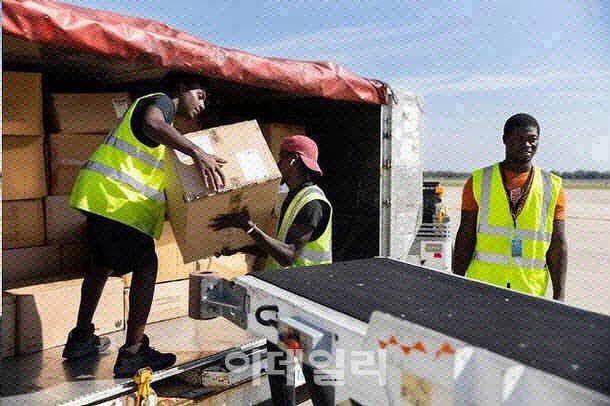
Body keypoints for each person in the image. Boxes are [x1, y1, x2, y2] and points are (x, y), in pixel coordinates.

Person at [63, 71, 227, 378]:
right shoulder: (161, 103)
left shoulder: (163, 127)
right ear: (182, 89)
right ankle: (133, 352)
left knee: (101, 264)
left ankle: (81, 338)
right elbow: (153, 123)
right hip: (119, 202)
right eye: (200, 96)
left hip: (102, 198)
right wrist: (198, 152)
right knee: (147, 266)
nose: (202, 105)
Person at [210, 135, 333, 406]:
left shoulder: (311, 203)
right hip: (287, 296)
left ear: (294, 160)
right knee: (279, 368)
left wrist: (249, 227)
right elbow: (278, 249)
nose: (277, 163)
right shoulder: (293, 197)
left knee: (313, 370)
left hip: (307, 299)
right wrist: (238, 249)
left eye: (281, 157)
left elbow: (289, 255)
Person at [453, 113, 567, 301]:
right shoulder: (479, 181)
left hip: (530, 290)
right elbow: (465, 235)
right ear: (505, 139)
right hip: (484, 286)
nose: (527, 144)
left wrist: (559, 296)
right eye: (519, 138)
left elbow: (558, 245)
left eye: (532, 139)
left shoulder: (553, 187)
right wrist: (455, 282)